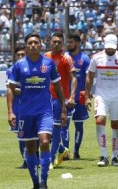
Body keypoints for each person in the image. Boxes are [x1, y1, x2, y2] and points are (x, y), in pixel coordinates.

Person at [7, 33, 67, 189]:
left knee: (45, 141)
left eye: (36, 42)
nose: (33, 45)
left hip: (44, 111)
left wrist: (63, 108)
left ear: (41, 45)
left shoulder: (49, 64)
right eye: (30, 43)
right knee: (31, 148)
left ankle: (44, 182)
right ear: (26, 46)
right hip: (25, 112)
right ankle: (35, 182)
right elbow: (10, 89)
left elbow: (58, 88)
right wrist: (10, 112)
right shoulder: (19, 65)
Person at [85, 34, 118, 167]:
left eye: (112, 47)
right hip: (101, 95)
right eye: (108, 47)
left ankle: (114, 157)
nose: (110, 50)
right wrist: (86, 96)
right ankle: (103, 155)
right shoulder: (96, 58)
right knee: (100, 120)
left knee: (116, 125)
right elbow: (89, 77)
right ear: (104, 45)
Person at [45, 32, 77, 167]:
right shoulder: (45, 57)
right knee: (44, 128)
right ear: (50, 42)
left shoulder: (66, 58)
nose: (56, 44)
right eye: (54, 41)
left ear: (62, 43)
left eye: (59, 42)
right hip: (45, 98)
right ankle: (62, 150)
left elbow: (74, 78)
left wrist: (71, 97)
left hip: (59, 99)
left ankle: (51, 159)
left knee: (56, 128)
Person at [66, 34, 91, 159]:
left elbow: (89, 79)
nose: (68, 44)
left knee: (79, 125)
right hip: (65, 97)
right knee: (63, 126)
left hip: (79, 98)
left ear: (77, 43)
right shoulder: (64, 57)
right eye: (67, 42)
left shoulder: (85, 59)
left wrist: (87, 95)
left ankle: (76, 151)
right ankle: (64, 152)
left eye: (70, 42)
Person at [6, 46, 27, 168]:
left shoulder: (31, 69)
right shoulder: (11, 70)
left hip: (32, 105)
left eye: (22, 55)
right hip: (18, 107)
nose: (20, 57)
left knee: (37, 134)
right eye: (18, 55)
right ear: (14, 56)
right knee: (21, 134)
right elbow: (11, 90)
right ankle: (26, 161)